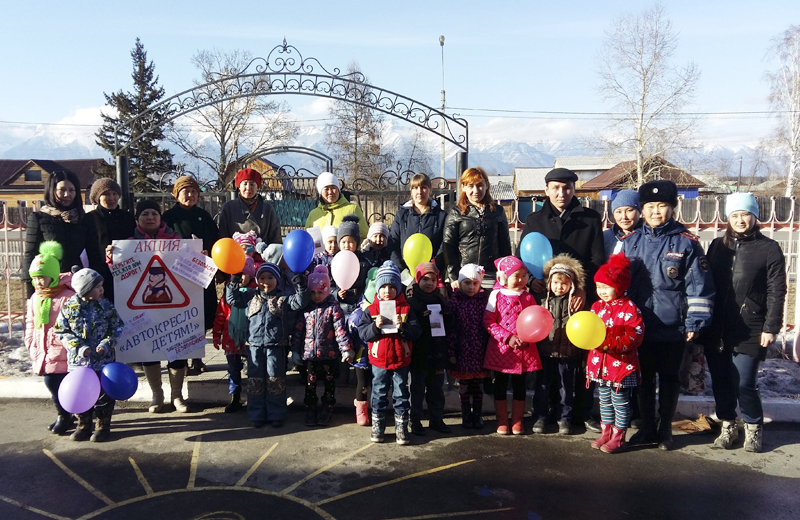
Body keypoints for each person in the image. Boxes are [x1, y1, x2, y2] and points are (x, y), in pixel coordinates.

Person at [622, 180, 715, 451]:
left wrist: (694, 323)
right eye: (649, 206)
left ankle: (665, 430)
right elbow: (618, 282)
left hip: (673, 325)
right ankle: (648, 427)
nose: (655, 211)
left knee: (670, 378)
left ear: (672, 207)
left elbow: (700, 287)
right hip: (638, 324)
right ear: (642, 209)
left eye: (662, 205)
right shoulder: (630, 241)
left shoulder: (687, 243)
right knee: (644, 378)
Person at [518, 167, 605, 433]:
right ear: (546, 191)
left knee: (575, 359)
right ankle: (544, 413)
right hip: (544, 303)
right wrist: (532, 282)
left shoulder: (589, 219)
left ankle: (576, 413)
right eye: (555, 188)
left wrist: (581, 288)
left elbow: (596, 259)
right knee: (547, 360)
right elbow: (524, 257)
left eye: (566, 188)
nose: (561, 193)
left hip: (577, 301)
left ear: (574, 190)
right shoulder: (534, 221)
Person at [702, 192, 786, 453]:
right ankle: (728, 424)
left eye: (746, 214)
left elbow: (777, 290)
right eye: (735, 215)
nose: (741, 220)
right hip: (718, 325)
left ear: (755, 216)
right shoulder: (717, 245)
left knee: (744, 382)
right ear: (728, 218)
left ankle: (753, 426)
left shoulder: (769, 248)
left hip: (751, 326)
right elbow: (705, 283)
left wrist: (771, 326)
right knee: (720, 380)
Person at [109, 200, 190, 413]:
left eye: (154, 212)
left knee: (177, 349)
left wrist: (198, 258)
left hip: (174, 305)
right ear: (137, 219)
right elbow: (120, 275)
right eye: (145, 213)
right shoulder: (126, 245)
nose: (150, 217)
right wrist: (113, 259)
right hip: (143, 308)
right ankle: (157, 394)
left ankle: (177, 395)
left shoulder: (176, 240)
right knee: (148, 350)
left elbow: (188, 270)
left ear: (161, 217)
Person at [226, 262, 309, 428]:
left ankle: (276, 414)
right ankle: (256, 414)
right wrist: (234, 280)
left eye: (270, 278)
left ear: (277, 280)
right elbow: (232, 299)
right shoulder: (249, 296)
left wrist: (300, 284)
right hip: (254, 347)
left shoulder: (283, 299)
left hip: (276, 347)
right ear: (257, 280)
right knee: (255, 381)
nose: (266, 282)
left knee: (275, 381)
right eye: (262, 278)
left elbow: (300, 302)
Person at [54, 267, 124, 442]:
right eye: (97, 287)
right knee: (81, 393)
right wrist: (78, 347)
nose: (102, 290)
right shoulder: (70, 308)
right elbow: (61, 331)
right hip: (79, 363)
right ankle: (84, 425)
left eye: (102, 286)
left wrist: (106, 344)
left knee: (104, 395)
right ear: (85, 290)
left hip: (104, 362)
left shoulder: (105, 306)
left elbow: (117, 327)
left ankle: (103, 425)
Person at [357, 261, 422, 445]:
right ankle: (378, 425)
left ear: (398, 288)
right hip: (379, 361)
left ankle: (401, 426)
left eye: (392, 287)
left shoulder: (407, 309)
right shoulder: (371, 310)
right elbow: (363, 333)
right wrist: (374, 327)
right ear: (377, 289)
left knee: (401, 393)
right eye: (383, 287)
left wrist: (404, 328)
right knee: (378, 392)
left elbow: (417, 332)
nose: (387, 291)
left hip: (401, 360)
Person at [162, 176, 220, 374]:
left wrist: (209, 254)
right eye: (186, 191)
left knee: (201, 316)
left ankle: (197, 356)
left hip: (200, 274)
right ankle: (180, 359)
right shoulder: (168, 218)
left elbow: (216, 243)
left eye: (194, 191)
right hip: (175, 276)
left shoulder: (204, 216)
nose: (190, 195)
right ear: (176, 194)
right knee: (179, 316)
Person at [588, 253, 644, 454]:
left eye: (606, 287)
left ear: (619, 286)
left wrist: (607, 344)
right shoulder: (596, 307)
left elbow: (634, 336)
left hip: (621, 366)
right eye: (598, 287)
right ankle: (606, 431)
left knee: (620, 401)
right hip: (600, 365)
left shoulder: (630, 309)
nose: (601, 291)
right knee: (604, 400)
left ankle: (619, 436)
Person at [483, 256, 542, 435]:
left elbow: (536, 320)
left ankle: (517, 420)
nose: (521, 280)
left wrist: (528, 337)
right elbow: (489, 322)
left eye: (524, 275)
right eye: (516, 276)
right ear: (503, 278)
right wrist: (507, 337)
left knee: (520, 385)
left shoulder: (529, 297)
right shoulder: (496, 296)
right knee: (500, 384)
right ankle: (502, 420)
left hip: (524, 349)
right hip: (502, 349)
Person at [23, 170, 104, 298]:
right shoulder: (39, 218)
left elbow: (94, 253)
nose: (67, 194)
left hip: (80, 284)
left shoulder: (84, 219)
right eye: (62, 190)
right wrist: (30, 290)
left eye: (72, 190)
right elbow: (30, 254)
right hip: (50, 285)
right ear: (52, 190)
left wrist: (96, 284)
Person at [24, 242, 76, 435]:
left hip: (63, 349)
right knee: (51, 383)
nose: (38, 282)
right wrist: (30, 342)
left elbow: (74, 323)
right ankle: (63, 414)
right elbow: (31, 322)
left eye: (42, 277)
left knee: (63, 383)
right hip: (43, 349)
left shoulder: (67, 296)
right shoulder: (36, 298)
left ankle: (71, 414)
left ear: (53, 276)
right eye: (35, 278)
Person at [293, 265, 354, 426]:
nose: (316, 296)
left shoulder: (333, 308)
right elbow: (299, 331)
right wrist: (295, 351)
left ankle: (327, 407)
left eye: (320, 292)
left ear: (327, 291)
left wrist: (346, 349)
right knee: (310, 384)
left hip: (329, 355)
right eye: (313, 292)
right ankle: (310, 408)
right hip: (309, 356)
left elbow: (340, 330)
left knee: (329, 384)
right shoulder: (306, 309)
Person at [532, 254, 586, 435]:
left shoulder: (576, 303)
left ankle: (564, 419)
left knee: (565, 388)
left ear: (571, 284)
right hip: (546, 351)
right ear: (549, 283)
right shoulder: (542, 300)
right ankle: (540, 416)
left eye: (564, 283)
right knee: (543, 386)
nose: (559, 286)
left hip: (568, 353)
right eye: (556, 282)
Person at [443, 167, 512, 290]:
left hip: (491, 274)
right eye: (471, 186)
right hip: (465, 276)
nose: (476, 191)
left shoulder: (498, 212)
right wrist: (453, 276)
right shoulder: (456, 213)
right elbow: (449, 246)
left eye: (480, 185)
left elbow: (505, 245)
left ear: (487, 186)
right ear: (463, 187)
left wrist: (506, 271)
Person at [407, 262, 453, 435]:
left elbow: (449, 328)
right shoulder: (412, 302)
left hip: (437, 353)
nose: (429, 283)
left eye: (433, 280)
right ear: (418, 280)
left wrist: (446, 317)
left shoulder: (441, 300)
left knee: (436, 390)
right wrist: (421, 319)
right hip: (419, 355)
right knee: (417, 390)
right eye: (425, 279)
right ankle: (415, 421)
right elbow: (410, 328)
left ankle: (436, 419)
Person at [448, 264, 491, 429]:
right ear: (460, 283)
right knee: (464, 386)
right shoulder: (455, 302)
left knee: (478, 385)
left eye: (475, 283)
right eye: (467, 283)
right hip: (462, 350)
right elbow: (451, 330)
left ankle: (477, 414)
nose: (471, 287)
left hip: (480, 349)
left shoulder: (484, 301)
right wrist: (451, 351)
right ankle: (466, 413)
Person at [212, 257, 256, 414]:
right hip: (231, 339)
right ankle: (235, 396)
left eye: (244, 274)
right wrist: (216, 335)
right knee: (233, 369)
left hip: (250, 339)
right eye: (237, 274)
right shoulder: (228, 295)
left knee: (252, 369)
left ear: (251, 275)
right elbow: (220, 316)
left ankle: (253, 396)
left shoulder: (254, 294)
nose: (241, 278)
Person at [388, 173, 448, 277]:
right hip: (406, 275)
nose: (419, 192)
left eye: (423, 188)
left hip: (432, 276)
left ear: (430, 190)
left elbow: (444, 245)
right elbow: (393, 245)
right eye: (415, 188)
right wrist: (403, 272)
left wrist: (432, 268)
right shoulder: (401, 216)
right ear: (411, 191)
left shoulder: (441, 216)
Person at [86, 178, 136, 301]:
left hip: (126, 271)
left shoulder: (127, 217)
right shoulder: (90, 219)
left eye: (114, 194)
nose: (112, 198)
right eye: (106, 194)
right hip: (100, 273)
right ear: (97, 197)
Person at [346, 267, 379, 426]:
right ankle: (361, 410)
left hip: (378, 355)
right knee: (362, 383)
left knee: (377, 383)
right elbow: (349, 332)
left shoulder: (383, 312)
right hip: (361, 356)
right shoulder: (357, 315)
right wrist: (348, 349)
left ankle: (376, 410)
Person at [218, 168, 281, 245]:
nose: (248, 188)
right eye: (245, 184)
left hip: (263, 254)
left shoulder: (267, 209)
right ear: (239, 186)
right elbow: (223, 239)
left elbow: (276, 239)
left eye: (252, 184)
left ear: (257, 186)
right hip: (235, 253)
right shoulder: (229, 208)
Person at [305, 171, 368, 239]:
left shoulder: (352, 209)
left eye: (333, 188)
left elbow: (364, 236)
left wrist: (351, 247)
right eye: (326, 189)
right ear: (320, 193)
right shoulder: (313, 214)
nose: (330, 192)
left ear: (338, 190)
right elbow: (306, 239)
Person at [603, 189, 641, 258]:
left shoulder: (648, 238)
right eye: (618, 212)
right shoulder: (605, 237)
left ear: (640, 212)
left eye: (629, 210)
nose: (624, 217)